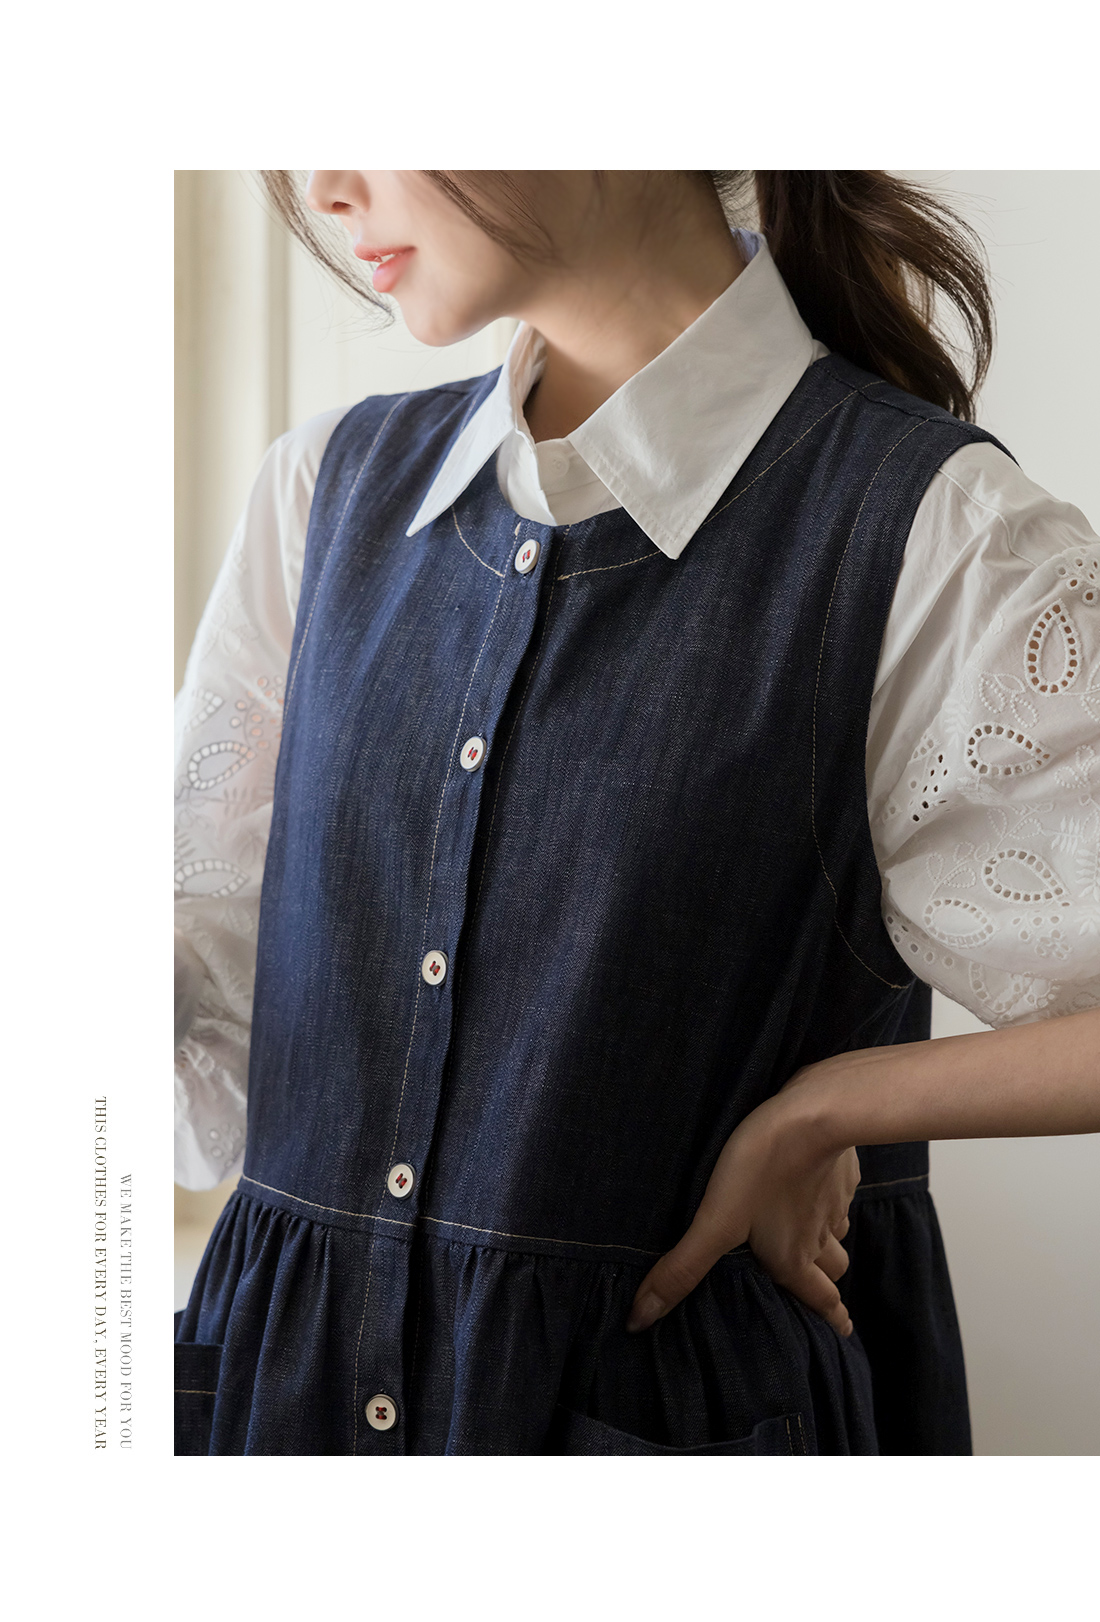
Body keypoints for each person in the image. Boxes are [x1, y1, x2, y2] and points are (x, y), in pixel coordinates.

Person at [174, 171, 1100, 1456]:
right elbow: (195, 966)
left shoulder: (936, 540)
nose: (327, 189)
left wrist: (834, 1101)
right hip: (273, 1409)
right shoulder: (320, 493)